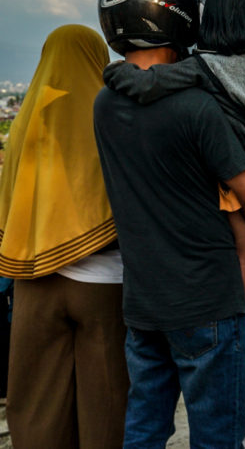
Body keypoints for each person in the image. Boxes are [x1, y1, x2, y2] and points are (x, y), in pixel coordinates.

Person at [94, 0, 245, 448]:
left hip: (144, 302)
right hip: (207, 303)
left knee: (146, 428)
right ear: (178, 14)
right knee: (216, 436)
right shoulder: (196, 107)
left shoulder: (104, 104)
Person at [102, 0, 245, 370]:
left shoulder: (206, 68)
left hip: (233, 180)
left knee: (240, 260)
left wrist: (114, 74)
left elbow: (150, 84)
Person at [0, 24, 128, 448]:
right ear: (98, 59)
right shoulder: (112, 114)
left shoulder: (22, 123)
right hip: (104, 286)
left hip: (34, 282)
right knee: (106, 403)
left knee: (37, 401)